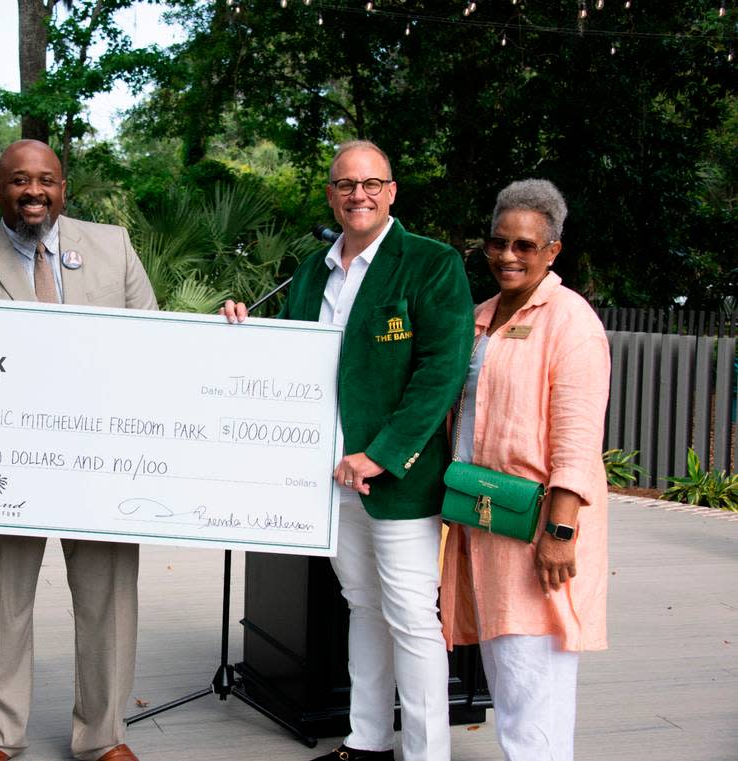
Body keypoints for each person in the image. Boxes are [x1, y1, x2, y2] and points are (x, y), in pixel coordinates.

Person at [222, 140, 474, 761]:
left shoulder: (431, 263)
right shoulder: (313, 269)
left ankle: (426, 754)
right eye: (344, 184)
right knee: (362, 604)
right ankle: (366, 742)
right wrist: (243, 325)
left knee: (413, 616)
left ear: (391, 192)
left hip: (397, 478)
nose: (357, 194)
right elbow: (289, 358)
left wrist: (383, 454)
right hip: (326, 477)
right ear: (331, 194)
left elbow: (441, 371)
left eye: (371, 183)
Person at [0, 139, 158, 761]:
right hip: (9, 467)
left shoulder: (112, 247)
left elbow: (152, 347)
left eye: (46, 180)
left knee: (109, 603)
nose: (33, 192)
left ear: (64, 187)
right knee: (4, 601)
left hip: (103, 463)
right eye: (18, 181)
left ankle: (104, 736)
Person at [440, 179, 609, 761]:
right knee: (506, 674)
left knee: (533, 685)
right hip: (482, 518)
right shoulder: (483, 314)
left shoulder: (571, 322)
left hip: (536, 527)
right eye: (498, 242)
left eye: (525, 246)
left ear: (553, 250)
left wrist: (560, 534)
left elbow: (579, 438)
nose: (508, 255)